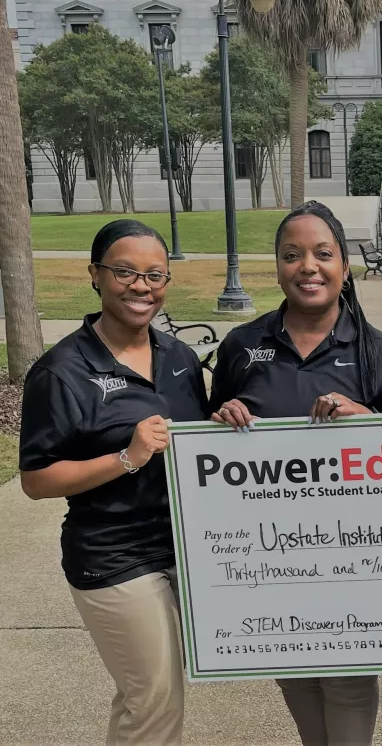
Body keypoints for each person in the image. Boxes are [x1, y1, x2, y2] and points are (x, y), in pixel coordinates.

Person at [208, 200, 382, 746]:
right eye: (292, 255)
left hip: (354, 552)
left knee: (348, 685)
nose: (308, 266)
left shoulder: (381, 354)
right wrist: (220, 421)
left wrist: (371, 421)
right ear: (277, 267)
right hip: (269, 552)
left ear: (344, 267)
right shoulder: (241, 347)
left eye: (323, 253)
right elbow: (209, 452)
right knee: (297, 674)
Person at [19, 220, 209, 746]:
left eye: (155, 274)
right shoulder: (62, 372)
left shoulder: (180, 358)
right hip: (114, 554)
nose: (141, 286)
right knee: (155, 701)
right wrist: (127, 457)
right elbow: (36, 480)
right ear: (95, 276)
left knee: (140, 698)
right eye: (124, 271)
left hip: (183, 549)